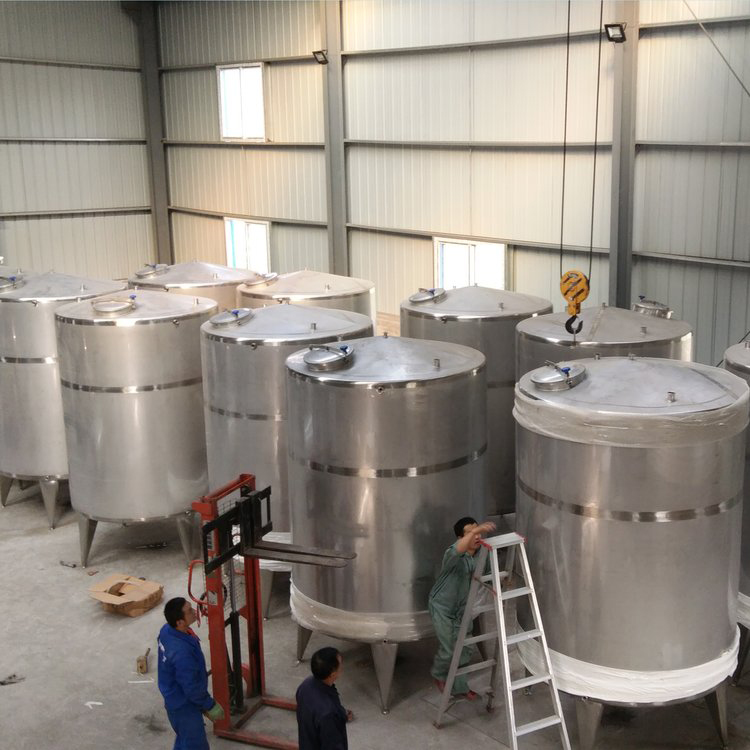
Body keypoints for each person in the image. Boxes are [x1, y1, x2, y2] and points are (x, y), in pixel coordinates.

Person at [428, 516, 497, 700]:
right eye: (470, 533)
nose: (476, 536)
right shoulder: (452, 554)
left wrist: (495, 586)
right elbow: (458, 549)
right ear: (460, 538)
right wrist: (476, 531)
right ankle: (438, 674)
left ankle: (460, 688)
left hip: (462, 609)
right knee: (449, 649)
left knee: (465, 650)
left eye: (477, 531)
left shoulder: (483, 553)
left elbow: (487, 575)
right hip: (442, 607)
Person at [157, 597, 225, 750]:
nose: (194, 612)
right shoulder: (182, 654)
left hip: (174, 697)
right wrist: (209, 705)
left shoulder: (167, 630)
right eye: (189, 611)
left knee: (184, 740)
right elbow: (191, 687)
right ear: (180, 622)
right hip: (184, 705)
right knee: (195, 745)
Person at [296, 646, 353, 750]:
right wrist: (335, 716)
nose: (342, 666)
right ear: (332, 674)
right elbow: (333, 745)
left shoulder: (305, 686)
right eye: (340, 665)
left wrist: (341, 714)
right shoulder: (328, 714)